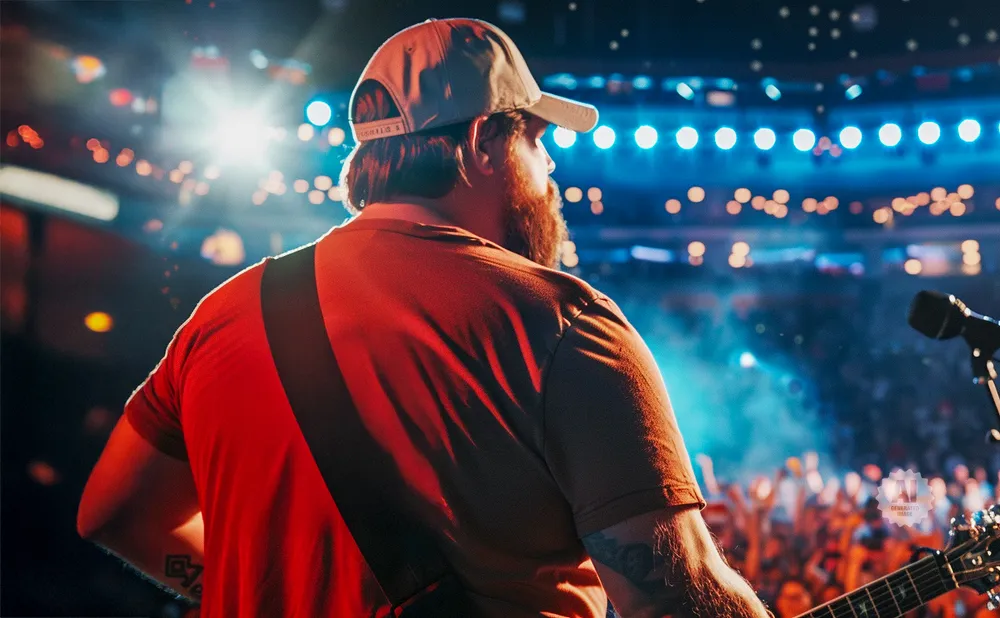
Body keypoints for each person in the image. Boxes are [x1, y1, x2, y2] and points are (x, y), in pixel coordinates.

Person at [77, 17, 770, 618]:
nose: (550, 164)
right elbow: (675, 597)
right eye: (534, 138)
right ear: (481, 144)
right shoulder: (561, 322)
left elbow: (112, 513)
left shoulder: (221, 317)